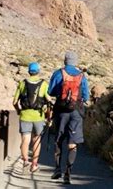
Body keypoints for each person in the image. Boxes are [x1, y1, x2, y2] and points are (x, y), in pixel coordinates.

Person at [48, 51, 89, 184]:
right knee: (72, 143)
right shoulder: (81, 76)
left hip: (61, 111)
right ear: (75, 62)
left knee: (59, 140)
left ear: (65, 61)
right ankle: (68, 173)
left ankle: (57, 169)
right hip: (76, 112)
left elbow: (50, 91)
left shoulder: (58, 73)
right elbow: (86, 96)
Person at [12, 62, 51, 174]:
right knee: (37, 140)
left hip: (25, 115)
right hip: (39, 116)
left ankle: (25, 162)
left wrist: (19, 111)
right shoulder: (43, 84)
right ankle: (34, 165)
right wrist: (49, 117)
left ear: (29, 71)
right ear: (38, 71)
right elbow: (49, 102)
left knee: (25, 139)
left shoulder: (22, 83)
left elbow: (14, 102)